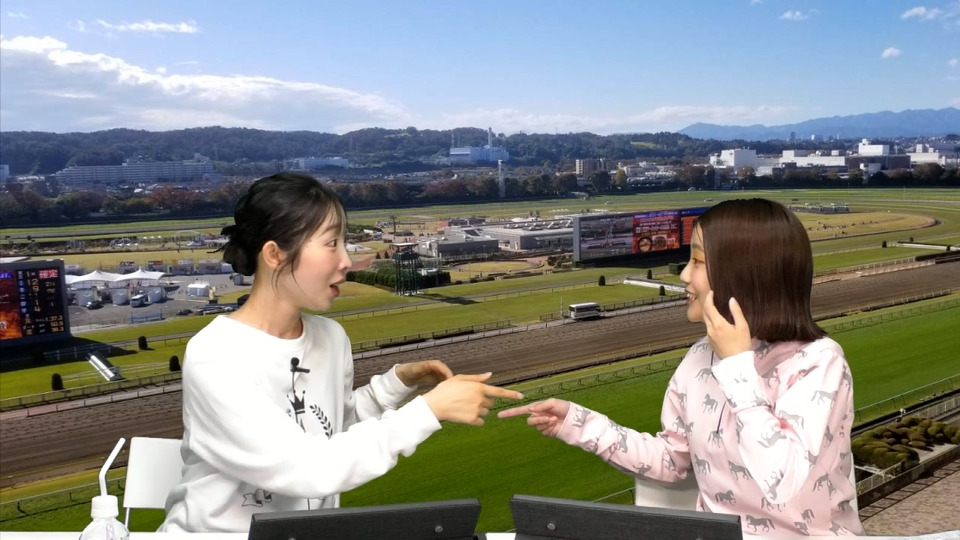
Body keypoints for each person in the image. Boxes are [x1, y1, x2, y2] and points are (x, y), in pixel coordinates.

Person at [161, 172, 522, 532]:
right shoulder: (216, 354)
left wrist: (394, 385)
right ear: (274, 254)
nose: (346, 261)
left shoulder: (331, 337)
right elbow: (308, 468)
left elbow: (331, 432)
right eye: (331, 243)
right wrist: (427, 411)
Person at [500, 198, 864, 536]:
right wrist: (577, 423)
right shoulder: (700, 356)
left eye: (698, 261)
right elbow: (672, 461)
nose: (684, 275)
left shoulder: (820, 362)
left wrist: (737, 366)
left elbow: (782, 482)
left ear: (746, 273)